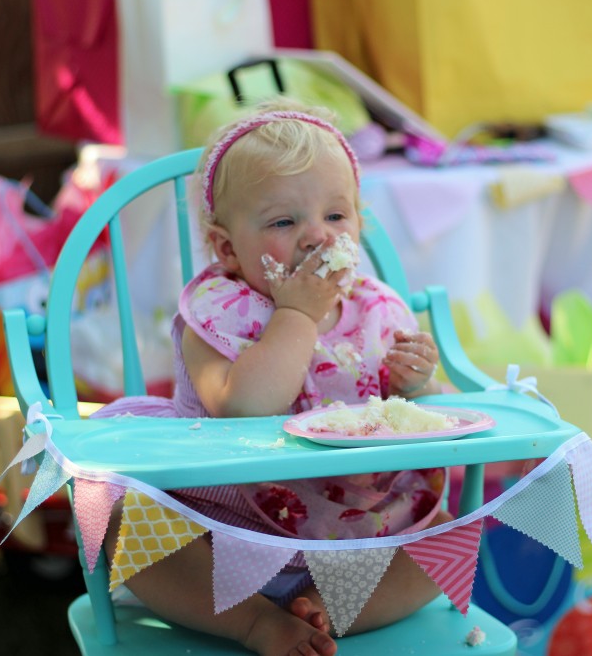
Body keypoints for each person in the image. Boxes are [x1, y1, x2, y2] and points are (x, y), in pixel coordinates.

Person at [94, 99, 450, 656]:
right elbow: (245, 407)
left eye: (336, 217)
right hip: (222, 530)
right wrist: (297, 315)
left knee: (449, 537)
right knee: (123, 526)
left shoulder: (375, 308)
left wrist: (418, 383)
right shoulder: (216, 313)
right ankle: (257, 622)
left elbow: (438, 415)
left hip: (350, 535)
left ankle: (326, 607)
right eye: (284, 222)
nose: (316, 237)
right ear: (227, 249)